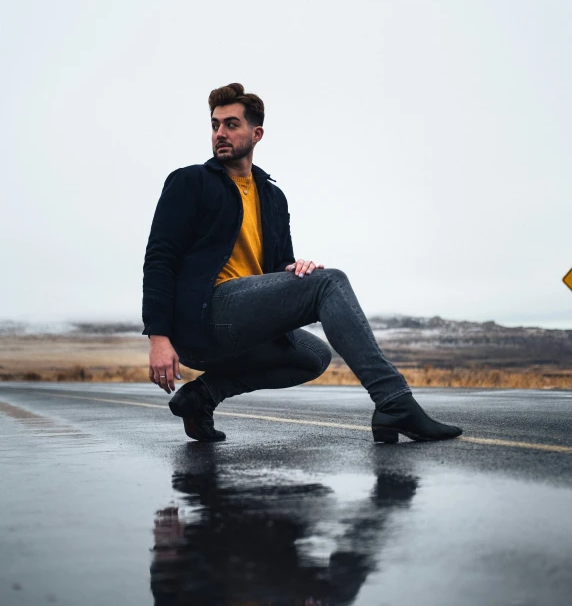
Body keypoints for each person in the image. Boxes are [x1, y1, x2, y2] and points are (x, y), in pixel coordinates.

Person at [142, 83, 462, 444]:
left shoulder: (273, 197)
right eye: (215, 125)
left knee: (313, 355)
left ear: (256, 133)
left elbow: (278, 265)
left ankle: (202, 396)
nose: (220, 133)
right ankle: (394, 402)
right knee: (331, 282)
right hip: (203, 318)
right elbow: (159, 259)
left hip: (242, 323)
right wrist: (158, 338)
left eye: (231, 124)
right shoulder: (190, 182)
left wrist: (297, 270)